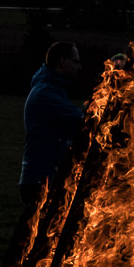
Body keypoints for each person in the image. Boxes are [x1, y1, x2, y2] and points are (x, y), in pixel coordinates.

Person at [18, 41, 85, 207]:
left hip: (43, 177)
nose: (80, 67)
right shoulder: (45, 93)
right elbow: (81, 123)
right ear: (63, 62)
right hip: (40, 181)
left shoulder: (53, 90)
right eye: (76, 62)